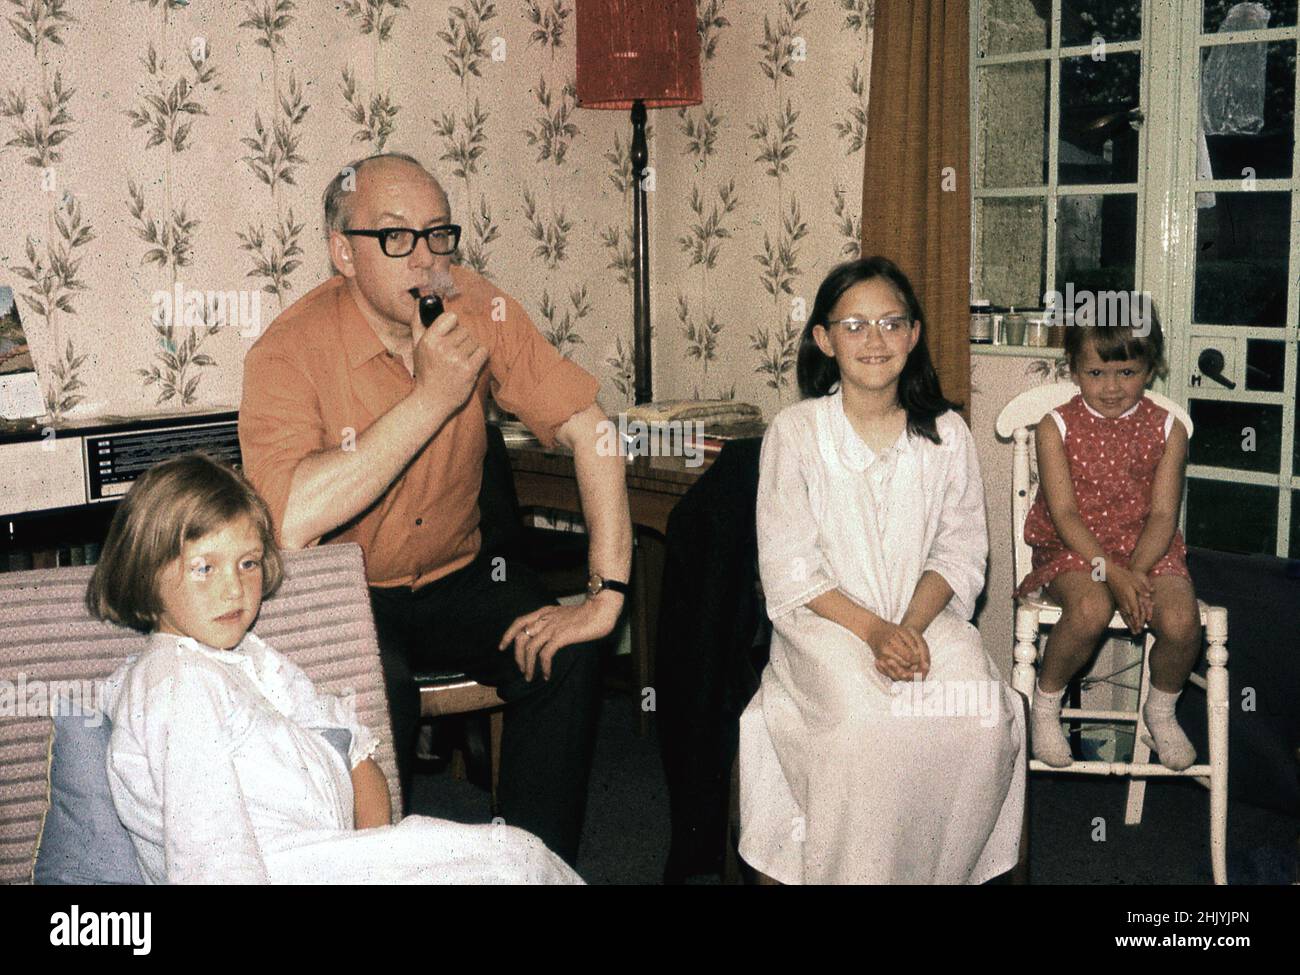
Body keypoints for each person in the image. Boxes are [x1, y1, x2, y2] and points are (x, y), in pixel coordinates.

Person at [238, 152, 632, 864]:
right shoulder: (286, 352)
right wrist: (430, 399)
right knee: (370, 685)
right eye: (395, 238)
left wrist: (607, 597)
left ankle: (531, 871)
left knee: (567, 655)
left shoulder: (477, 304)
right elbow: (289, 521)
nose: (425, 258)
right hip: (347, 590)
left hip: (460, 572)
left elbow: (591, 428)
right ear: (342, 254)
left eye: (438, 234)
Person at [90, 453, 581, 884]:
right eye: (205, 568)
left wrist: (380, 854)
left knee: (513, 858)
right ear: (146, 571)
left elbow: (356, 750)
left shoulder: (253, 657)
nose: (234, 590)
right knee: (513, 864)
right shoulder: (174, 686)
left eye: (248, 563)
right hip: (272, 870)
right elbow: (211, 861)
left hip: (341, 860)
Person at [738, 256, 1024, 884]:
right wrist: (874, 633)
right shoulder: (797, 432)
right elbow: (789, 566)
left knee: (981, 713)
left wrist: (911, 628)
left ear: (915, 334)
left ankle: (937, 874)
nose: (876, 341)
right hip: (829, 623)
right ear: (824, 339)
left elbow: (958, 550)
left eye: (893, 324)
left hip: (923, 616)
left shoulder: (947, 433)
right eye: (855, 326)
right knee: (865, 725)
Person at [1016, 306, 1201, 771]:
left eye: (1127, 371)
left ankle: (1159, 711)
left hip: (1147, 549)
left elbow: (1162, 514)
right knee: (1091, 608)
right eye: (1096, 372)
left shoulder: (1168, 428)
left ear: (1152, 366)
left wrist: (1135, 573)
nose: (1112, 386)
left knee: (1182, 621)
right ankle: (1046, 705)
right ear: (1074, 368)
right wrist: (1111, 573)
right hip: (1076, 548)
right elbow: (1064, 514)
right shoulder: (1054, 426)